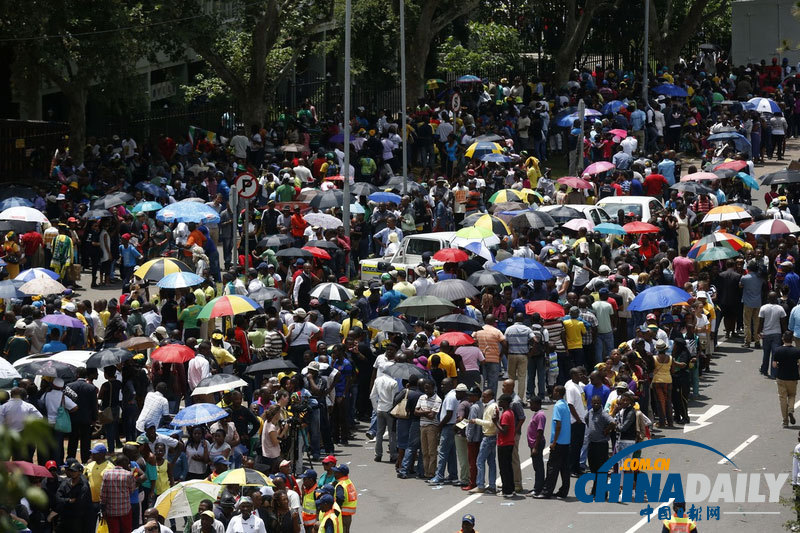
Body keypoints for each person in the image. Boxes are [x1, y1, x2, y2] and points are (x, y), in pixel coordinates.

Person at [534, 385, 570, 499]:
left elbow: (558, 425)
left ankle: (546, 491)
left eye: (554, 391)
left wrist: (554, 442)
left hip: (558, 442)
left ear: (558, 393)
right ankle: (563, 491)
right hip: (566, 441)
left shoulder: (558, 406)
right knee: (564, 468)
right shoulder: (565, 405)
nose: (552, 393)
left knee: (552, 468)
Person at [468, 388, 497, 494]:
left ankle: (480, 485)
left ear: (490, 397)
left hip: (488, 436)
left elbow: (490, 423)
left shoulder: (492, 407)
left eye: (485, 396)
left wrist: (476, 421)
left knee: (480, 461)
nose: (482, 398)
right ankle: (492, 485)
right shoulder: (489, 406)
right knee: (491, 462)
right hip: (491, 436)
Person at [100, 454, 136, 533]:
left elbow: (103, 493)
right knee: (126, 530)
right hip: (125, 510)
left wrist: (103, 508)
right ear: (124, 463)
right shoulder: (129, 474)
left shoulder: (106, 474)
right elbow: (132, 490)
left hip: (111, 511)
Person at [773, 330, 800, 428]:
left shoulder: (778, 350)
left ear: (783, 339)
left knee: (782, 398)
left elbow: (774, 365)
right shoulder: (797, 351)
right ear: (792, 339)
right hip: (793, 377)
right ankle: (791, 409)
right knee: (792, 395)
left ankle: (785, 421)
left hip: (781, 377)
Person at [758, 291, 787, 378]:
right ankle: (774, 373)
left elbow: (761, 322)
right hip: (777, 334)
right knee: (775, 354)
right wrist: (785, 334)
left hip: (766, 334)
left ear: (768, 298)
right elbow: (783, 323)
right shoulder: (780, 309)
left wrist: (758, 332)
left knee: (766, 353)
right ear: (776, 299)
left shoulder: (763, 308)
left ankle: (764, 370)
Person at [495, 394, 517, 498]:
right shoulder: (509, 412)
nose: (499, 403)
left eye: (501, 401)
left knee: (504, 468)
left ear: (506, 403)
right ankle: (511, 489)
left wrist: (495, 422)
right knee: (508, 467)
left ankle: (506, 491)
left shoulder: (506, 414)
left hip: (504, 444)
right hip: (509, 443)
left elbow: (504, 431)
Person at [526, 396, 547, 497]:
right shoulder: (537, 414)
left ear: (537, 404)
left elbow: (540, 431)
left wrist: (535, 447)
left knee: (538, 467)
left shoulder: (540, 415)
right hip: (534, 444)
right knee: (536, 466)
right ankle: (537, 487)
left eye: (532, 404)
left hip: (537, 444)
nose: (530, 406)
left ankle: (538, 488)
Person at [332, 464, 357, 532]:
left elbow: (340, 499)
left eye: (336, 472)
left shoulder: (340, 485)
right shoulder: (348, 482)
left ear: (340, 474)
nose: (334, 473)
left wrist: (335, 514)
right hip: (348, 516)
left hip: (342, 515)